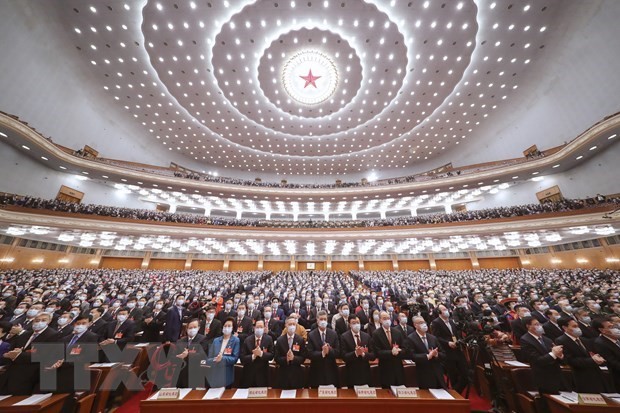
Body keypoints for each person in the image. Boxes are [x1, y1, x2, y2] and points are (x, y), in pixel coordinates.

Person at [0, 312, 59, 395]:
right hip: (11, 373)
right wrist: (8, 355)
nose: (39, 322)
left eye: (43, 320)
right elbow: (11, 350)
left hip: (30, 376)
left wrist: (19, 355)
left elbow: (45, 356)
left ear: (49, 321)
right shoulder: (24, 335)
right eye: (37, 320)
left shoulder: (53, 335)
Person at [556, 318, 610, 393]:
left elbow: (592, 354)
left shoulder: (585, 340)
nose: (577, 328)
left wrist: (598, 358)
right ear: (565, 328)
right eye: (574, 326)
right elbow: (570, 360)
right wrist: (592, 360)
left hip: (596, 374)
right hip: (581, 377)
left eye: (577, 326)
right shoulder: (561, 340)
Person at [519, 316, 566, 394]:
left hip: (557, 376)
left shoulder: (547, 339)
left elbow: (560, 359)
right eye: (536, 324)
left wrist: (560, 355)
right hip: (543, 378)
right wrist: (554, 353)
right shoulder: (525, 340)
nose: (540, 326)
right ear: (528, 326)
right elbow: (537, 360)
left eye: (539, 324)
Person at [431, 304, 468, 393]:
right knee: (453, 374)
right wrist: (448, 343)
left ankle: (456, 390)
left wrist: (458, 340)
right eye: (444, 309)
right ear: (439, 312)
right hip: (447, 350)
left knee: (466, 373)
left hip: (457, 348)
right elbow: (436, 337)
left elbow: (456, 334)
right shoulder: (436, 322)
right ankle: (456, 393)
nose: (446, 311)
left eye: (446, 309)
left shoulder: (451, 321)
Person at [407, 316, 447, 390]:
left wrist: (436, 354)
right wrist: (427, 356)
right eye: (421, 323)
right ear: (415, 325)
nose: (424, 324)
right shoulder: (411, 338)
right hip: (424, 373)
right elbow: (412, 356)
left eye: (424, 322)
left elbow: (443, 354)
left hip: (437, 373)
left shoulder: (433, 338)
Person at [372, 310, 406, 388]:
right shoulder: (376, 334)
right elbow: (377, 352)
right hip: (385, 369)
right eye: (384, 318)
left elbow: (405, 348)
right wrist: (391, 352)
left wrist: (399, 351)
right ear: (380, 320)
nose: (387, 320)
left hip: (398, 368)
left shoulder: (397, 332)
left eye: (388, 318)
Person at [307, 310, 340, 387]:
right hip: (316, 371)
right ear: (317, 320)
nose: (323, 321)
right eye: (321, 319)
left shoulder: (333, 333)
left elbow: (338, 352)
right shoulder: (311, 335)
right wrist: (322, 353)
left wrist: (329, 351)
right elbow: (309, 353)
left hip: (331, 370)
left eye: (325, 319)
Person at [341, 315, 375, 387]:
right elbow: (344, 356)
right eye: (353, 323)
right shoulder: (344, 337)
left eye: (358, 322)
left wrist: (363, 354)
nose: (356, 324)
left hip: (365, 373)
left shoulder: (367, 336)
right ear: (349, 324)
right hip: (351, 373)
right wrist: (356, 353)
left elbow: (373, 355)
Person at [205, 318, 239, 388]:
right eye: (225, 326)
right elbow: (209, 359)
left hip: (227, 376)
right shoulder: (216, 340)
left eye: (229, 326)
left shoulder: (235, 340)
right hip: (214, 374)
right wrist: (215, 359)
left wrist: (222, 358)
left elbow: (234, 358)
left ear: (233, 328)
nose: (226, 328)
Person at [175, 319, 208, 388]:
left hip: (196, 372)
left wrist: (188, 355)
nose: (192, 329)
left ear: (198, 328)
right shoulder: (180, 341)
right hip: (183, 373)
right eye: (190, 328)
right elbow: (175, 355)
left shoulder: (203, 339)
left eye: (194, 327)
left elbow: (201, 355)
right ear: (186, 329)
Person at [240, 319, 274, 388]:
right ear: (254, 328)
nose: (259, 329)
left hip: (263, 375)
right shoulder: (247, 340)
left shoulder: (269, 339)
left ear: (264, 328)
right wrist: (253, 356)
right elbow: (242, 358)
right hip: (249, 375)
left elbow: (271, 355)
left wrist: (261, 353)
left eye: (261, 327)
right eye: (257, 327)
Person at [275, 316, 306, 389]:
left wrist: (293, 358)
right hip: (283, 375)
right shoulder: (279, 340)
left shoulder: (300, 340)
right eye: (290, 324)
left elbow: (303, 357)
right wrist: (286, 359)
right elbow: (276, 358)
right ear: (286, 325)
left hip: (296, 375)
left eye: (293, 324)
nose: (292, 326)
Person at [592, 317, 620, 392]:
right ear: (602, 330)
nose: (614, 328)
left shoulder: (617, 338)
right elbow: (612, 362)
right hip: (616, 378)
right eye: (610, 327)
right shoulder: (600, 343)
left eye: (613, 326)